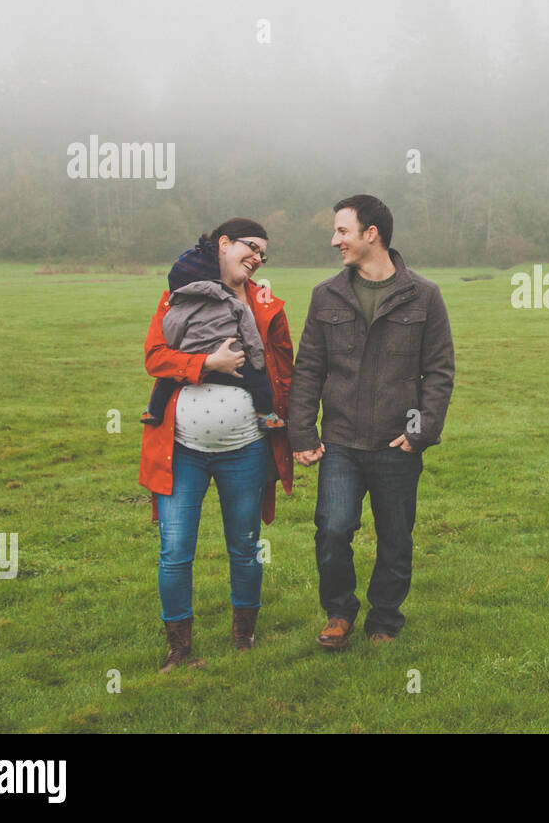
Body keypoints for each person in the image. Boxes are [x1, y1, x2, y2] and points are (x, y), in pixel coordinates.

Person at [287, 195, 454, 649]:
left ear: (371, 233)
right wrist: (302, 432)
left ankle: (384, 621)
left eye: (342, 231)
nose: (334, 239)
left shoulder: (425, 295)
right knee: (334, 528)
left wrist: (420, 432)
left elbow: (437, 372)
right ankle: (339, 613)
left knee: (396, 537)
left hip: (397, 443)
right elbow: (309, 369)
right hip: (340, 441)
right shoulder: (326, 295)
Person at [138, 219, 294, 672]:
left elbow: (285, 370)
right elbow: (155, 357)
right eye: (252, 247)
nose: (258, 257)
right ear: (224, 244)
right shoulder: (178, 294)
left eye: (264, 253)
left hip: (245, 450)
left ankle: (244, 640)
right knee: (174, 549)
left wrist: (296, 430)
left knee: (245, 546)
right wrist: (209, 362)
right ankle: (179, 650)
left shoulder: (265, 305)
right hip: (181, 450)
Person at [140, 235, 285, 429]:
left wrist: (181, 351)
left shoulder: (179, 307)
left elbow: (171, 332)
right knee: (259, 382)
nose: (258, 258)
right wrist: (257, 362)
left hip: (191, 359)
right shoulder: (232, 302)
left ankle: (153, 411)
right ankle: (265, 415)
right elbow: (250, 335)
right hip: (236, 364)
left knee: (166, 381)